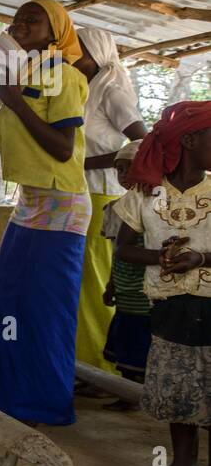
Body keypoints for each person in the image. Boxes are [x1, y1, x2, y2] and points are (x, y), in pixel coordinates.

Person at [0, 0, 90, 426]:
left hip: (61, 203)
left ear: (57, 31)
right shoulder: (21, 76)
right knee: (9, 302)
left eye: (34, 18)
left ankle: (45, 404)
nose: (21, 23)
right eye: (17, 18)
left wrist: (13, 101)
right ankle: (10, 398)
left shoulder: (63, 76)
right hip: (29, 203)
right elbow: (12, 141)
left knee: (45, 309)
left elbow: (63, 148)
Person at [112, 102, 211, 466]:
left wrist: (199, 260)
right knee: (179, 387)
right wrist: (160, 258)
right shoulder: (145, 195)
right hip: (170, 305)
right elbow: (123, 249)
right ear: (189, 141)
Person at [74, 27, 147, 375]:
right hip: (81, 192)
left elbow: (142, 143)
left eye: (78, 49)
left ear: (97, 53)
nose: (70, 55)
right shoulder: (82, 90)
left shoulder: (112, 90)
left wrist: (82, 163)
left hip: (104, 194)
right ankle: (86, 362)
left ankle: (101, 366)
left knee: (96, 281)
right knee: (82, 281)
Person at [100, 140, 149, 399]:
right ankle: (127, 394)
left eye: (128, 168)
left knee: (142, 343)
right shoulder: (113, 209)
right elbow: (115, 255)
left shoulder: (156, 208)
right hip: (126, 291)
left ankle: (138, 396)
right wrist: (111, 285)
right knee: (125, 342)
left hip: (146, 294)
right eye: (119, 170)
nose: (123, 175)